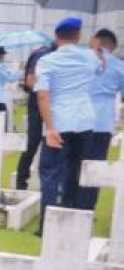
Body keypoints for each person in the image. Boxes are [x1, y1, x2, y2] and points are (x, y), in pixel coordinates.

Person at [35, 16, 101, 234]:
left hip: (59, 120)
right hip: (84, 120)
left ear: (56, 36)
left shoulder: (47, 61)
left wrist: (50, 128)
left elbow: (43, 96)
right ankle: (71, 217)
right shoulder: (90, 57)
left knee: (51, 172)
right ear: (78, 35)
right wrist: (95, 49)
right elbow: (101, 66)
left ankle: (48, 224)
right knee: (76, 170)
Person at [85, 28, 124, 211]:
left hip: (79, 119)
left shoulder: (83, 61)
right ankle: (88, 206)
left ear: (97, 41)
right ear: (113, 46)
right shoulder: (118, 66)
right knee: (96, 167)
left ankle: (70, 203)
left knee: (73, 163)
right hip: (103, 121)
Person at [17, 39, 57, 190]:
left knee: (46, 141)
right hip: (38, 101)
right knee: (33, 141)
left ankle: (46, 183)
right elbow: (30, 81)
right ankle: (22, 181)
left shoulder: (45, 53)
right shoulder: (43, 54)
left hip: (47, 101)